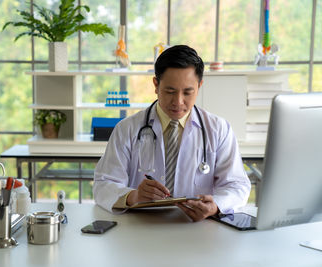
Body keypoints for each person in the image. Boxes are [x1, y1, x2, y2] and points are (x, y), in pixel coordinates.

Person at [93, 45, 251, 221]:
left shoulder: (219, 130)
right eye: (170, 91)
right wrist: (133, 196)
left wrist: (216, 205)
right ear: (156, 85)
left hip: (198, 231)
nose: (178, 101)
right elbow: (103, 185)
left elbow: (237, 185)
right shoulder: (127, 129)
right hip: (141, 229)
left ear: (199, 86)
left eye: (187, 92)